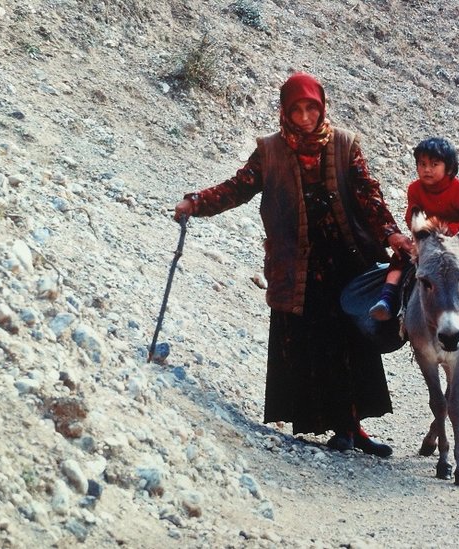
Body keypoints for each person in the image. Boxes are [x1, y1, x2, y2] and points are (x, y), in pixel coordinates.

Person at [174, 72, 413, 457]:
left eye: (311, 108)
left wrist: (391, 235)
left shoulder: (345, 144)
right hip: (297, 267)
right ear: (285, 111)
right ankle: (338, 428)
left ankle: (354, 427)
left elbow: (369, 197)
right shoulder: (269, 151)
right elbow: (238, 188)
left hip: (345, 262)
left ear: (322, 108)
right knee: (313, 345)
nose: (304, 117)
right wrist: (196, 202)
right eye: (296, 109)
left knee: (350, 343)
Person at [368, 137, 459, 327]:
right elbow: (413, 214)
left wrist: (449, 233)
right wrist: (420, 232)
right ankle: (386, 299)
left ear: (449, 167)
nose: (427, 169)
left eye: (434, 164)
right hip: (428, 238)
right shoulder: (415, 189)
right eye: (422, 164)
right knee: (401, 256)